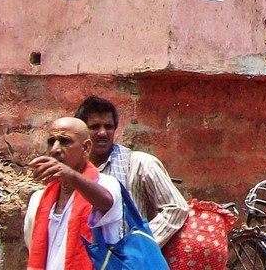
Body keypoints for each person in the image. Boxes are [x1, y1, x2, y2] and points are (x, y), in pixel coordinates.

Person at [74, 95, 188, 246]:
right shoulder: (74, 171)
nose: (102, 133)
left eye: (108, 127)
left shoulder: (140, 164)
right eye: (95, 127)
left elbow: (176, 208)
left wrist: (140, 245)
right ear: (82, 133)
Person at [24, 117, 124, 270]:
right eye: (51, 142)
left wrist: (69, 175)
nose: (55, 149)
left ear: (86, 148)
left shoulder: (106, 184)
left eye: (65, 141)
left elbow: (106, 201)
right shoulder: (39, 199)